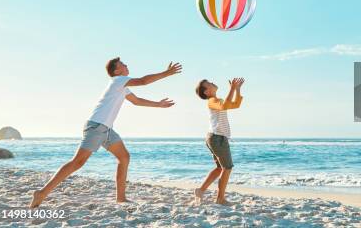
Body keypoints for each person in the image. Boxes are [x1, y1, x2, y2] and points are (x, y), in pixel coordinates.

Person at [30, 58, 181, 208]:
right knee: (78, 162)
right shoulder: (118, 81)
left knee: (124, 157)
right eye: (123, 64)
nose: (127, 65)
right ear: (116, 71)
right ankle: (41, 193)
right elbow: (143, 81)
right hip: (96, 126)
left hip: (106, 129)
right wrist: (167, 73)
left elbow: (137, 101)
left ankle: (121, 198)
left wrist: (158, 105)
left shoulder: (122, 86)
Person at [194, 77, 244, 205]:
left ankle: (200, 190)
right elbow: (225, 105)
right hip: (217, 138)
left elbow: (236, 105)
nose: (212, 83)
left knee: (219, 168)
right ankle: (220, 198)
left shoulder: (217, 100)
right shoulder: (212, 101)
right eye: (208, 84)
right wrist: (232, 89)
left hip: (215, 137)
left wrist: (237, 90)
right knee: (227, 168)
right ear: (206, 92)